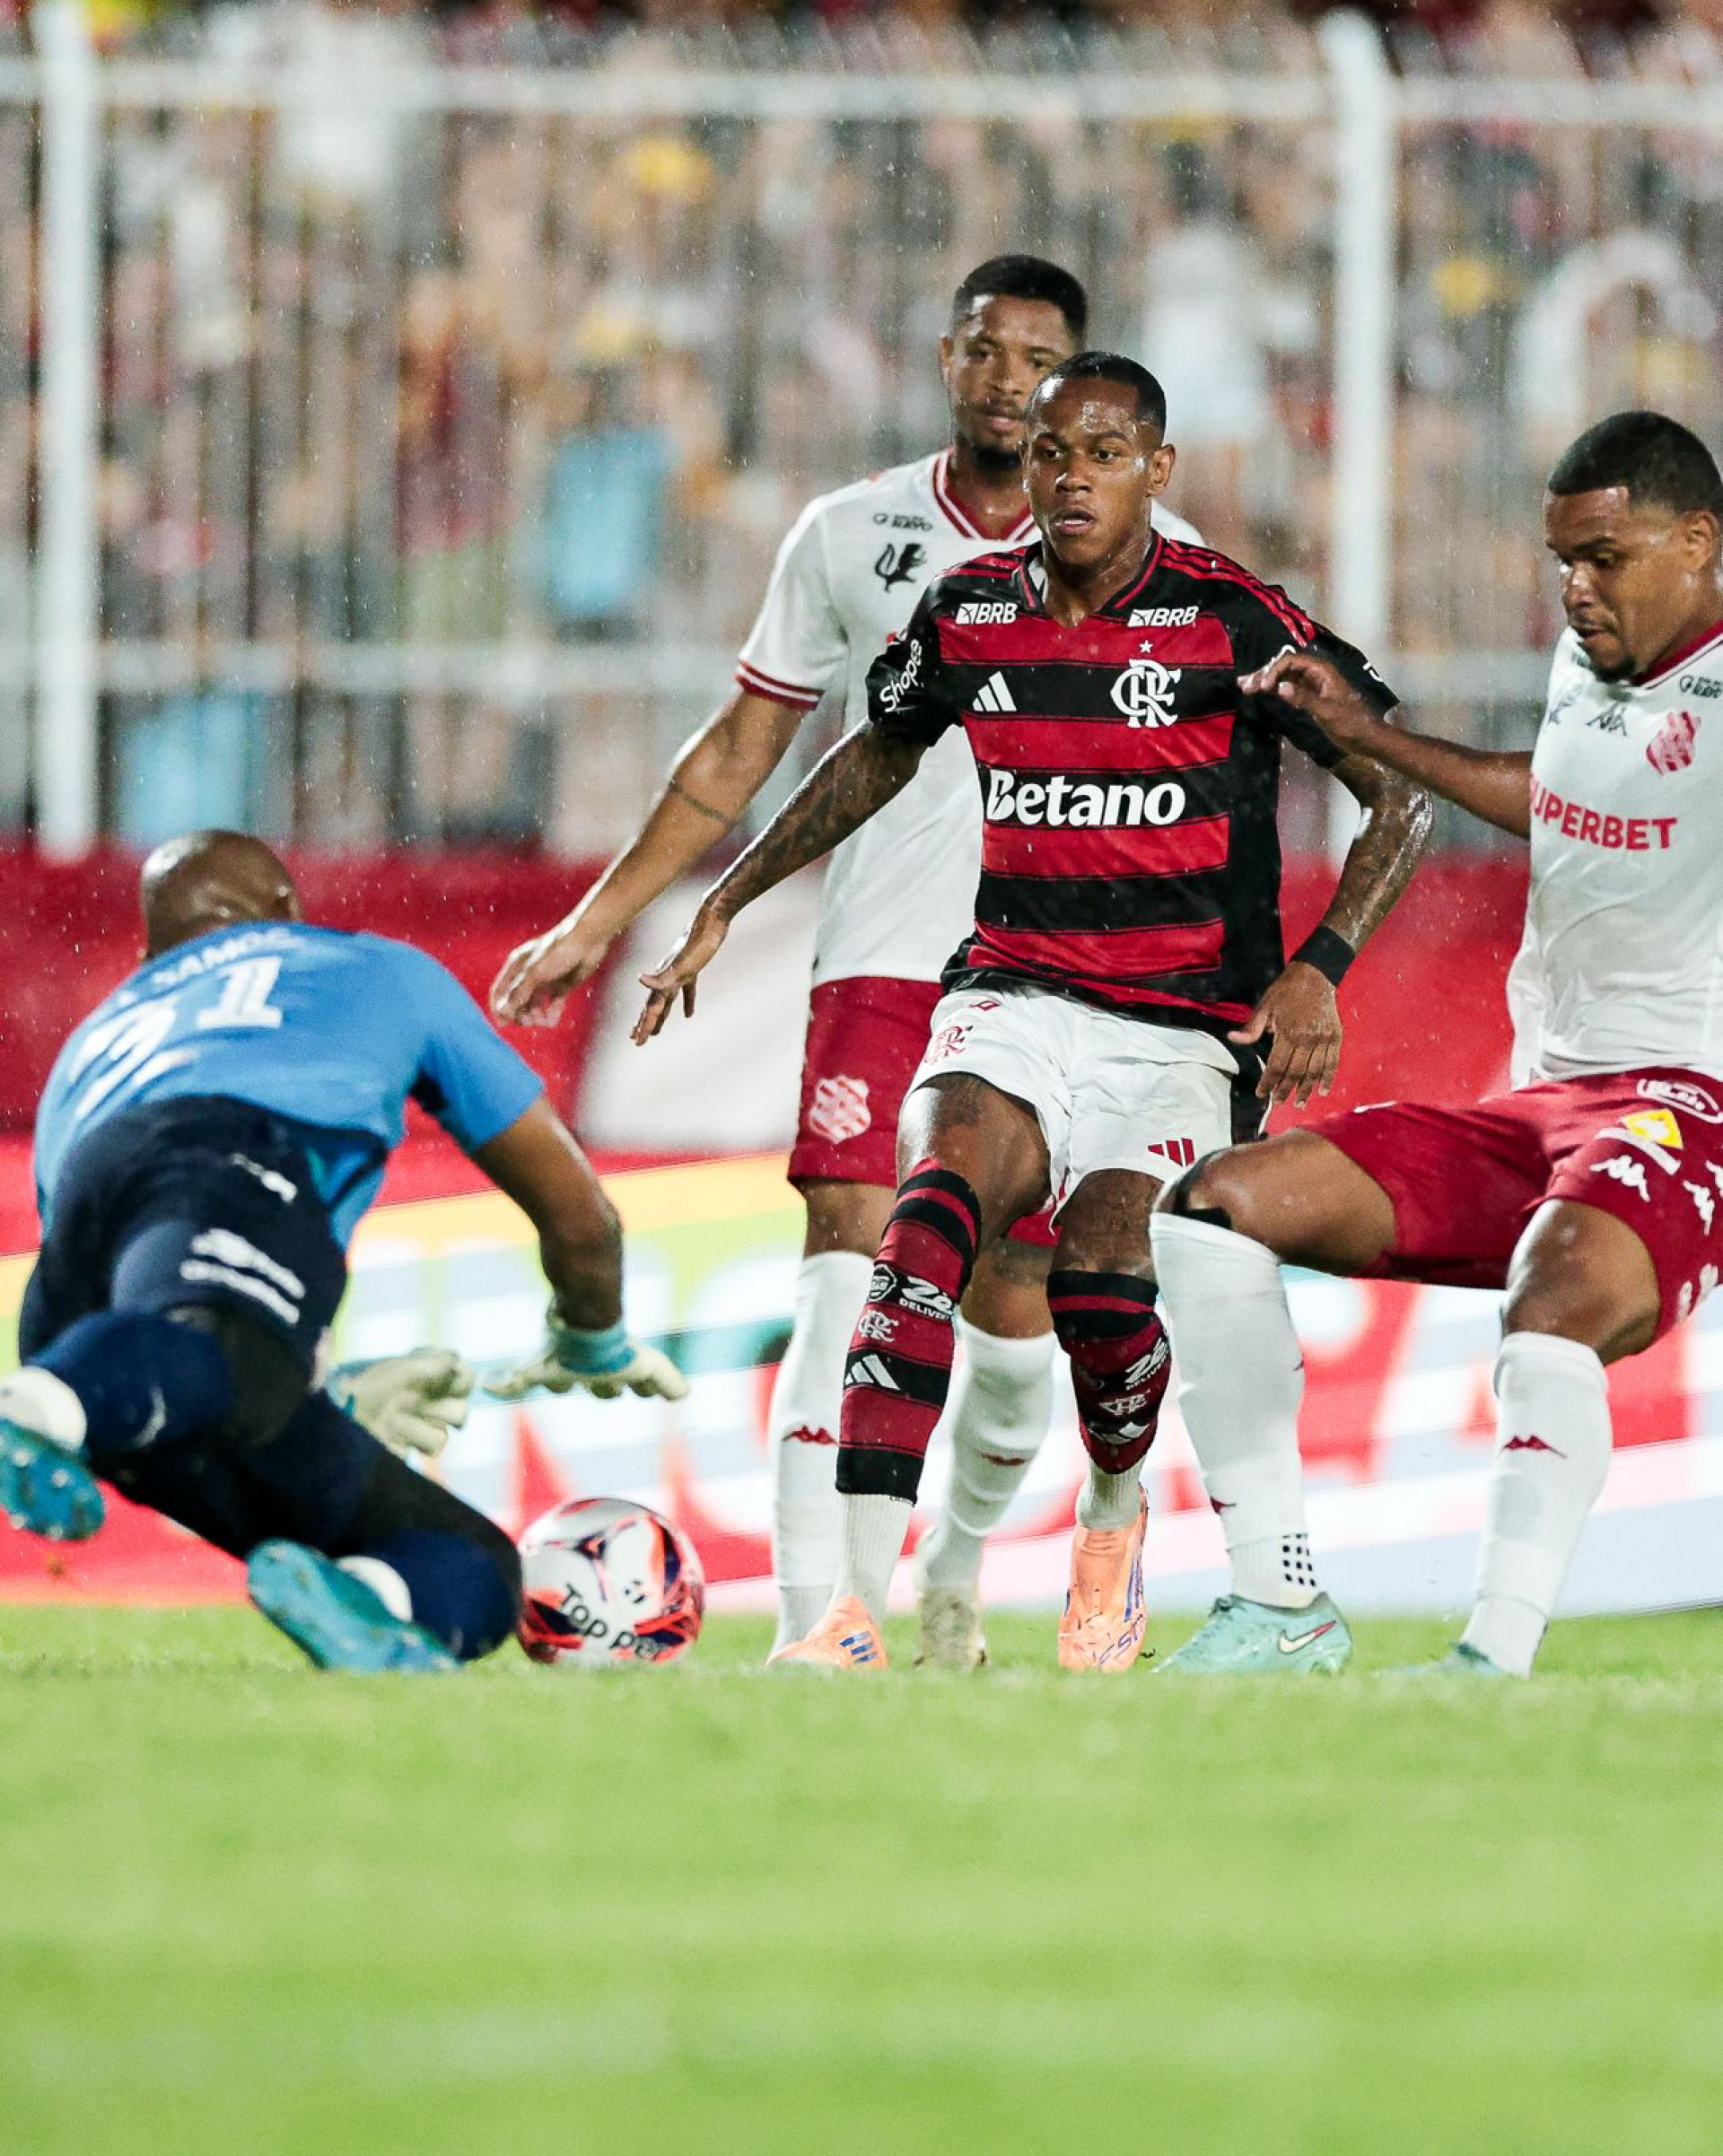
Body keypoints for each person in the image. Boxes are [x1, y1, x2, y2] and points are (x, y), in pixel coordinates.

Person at [634, 353, 1430, 1672]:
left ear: (1157, 472)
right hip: (1009, 995)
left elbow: (1401, 793)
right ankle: (846, 1614)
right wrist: (732, 896)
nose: (1073, 477)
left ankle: (1114, 1509)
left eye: (1106, 453)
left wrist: (1320, 966)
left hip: (1183, 1029)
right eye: (1057, 453)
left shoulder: (1234, 621)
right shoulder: (972, 613)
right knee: (925, 1227)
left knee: (1103, 1295)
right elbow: (878, 748)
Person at [493, 257, 1203, 1669]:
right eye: (987, 351)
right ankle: (823, 1618)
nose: (1010, 379)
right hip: (883, 952)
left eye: (1039, 356)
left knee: (1014, 1329)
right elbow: (747, 744)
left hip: (1069, 978)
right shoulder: (851, 533)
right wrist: (604, 913)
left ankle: (949, 1566)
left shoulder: (1164, 556)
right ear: (948, 360)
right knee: (846, 1262)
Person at [1149, 409, 1723, 1679]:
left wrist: (1369, 735)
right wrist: (1363, 732)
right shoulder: (1604, 666)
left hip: (1692, 1101)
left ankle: (1491, 1667)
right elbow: (1565, 789)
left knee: (1553, 1309)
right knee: (1210, 1209)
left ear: (1699, 542)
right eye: (1562, 559)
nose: (1575, 589)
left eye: (1606, 558)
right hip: (1542, 1105)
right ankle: (1278, 1598)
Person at [0, 831, 684, 1673]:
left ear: (150, 948)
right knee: (220, 1342)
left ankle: (371, 1607)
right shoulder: (376, 969)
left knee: (471, 1561)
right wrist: (593, 1336)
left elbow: (117, 1273)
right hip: (228, 1181)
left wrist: (317, 1388)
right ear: (288, 912)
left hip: (103, 1339)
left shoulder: (98, 1036)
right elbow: (579, 1216)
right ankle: (33, 1414)